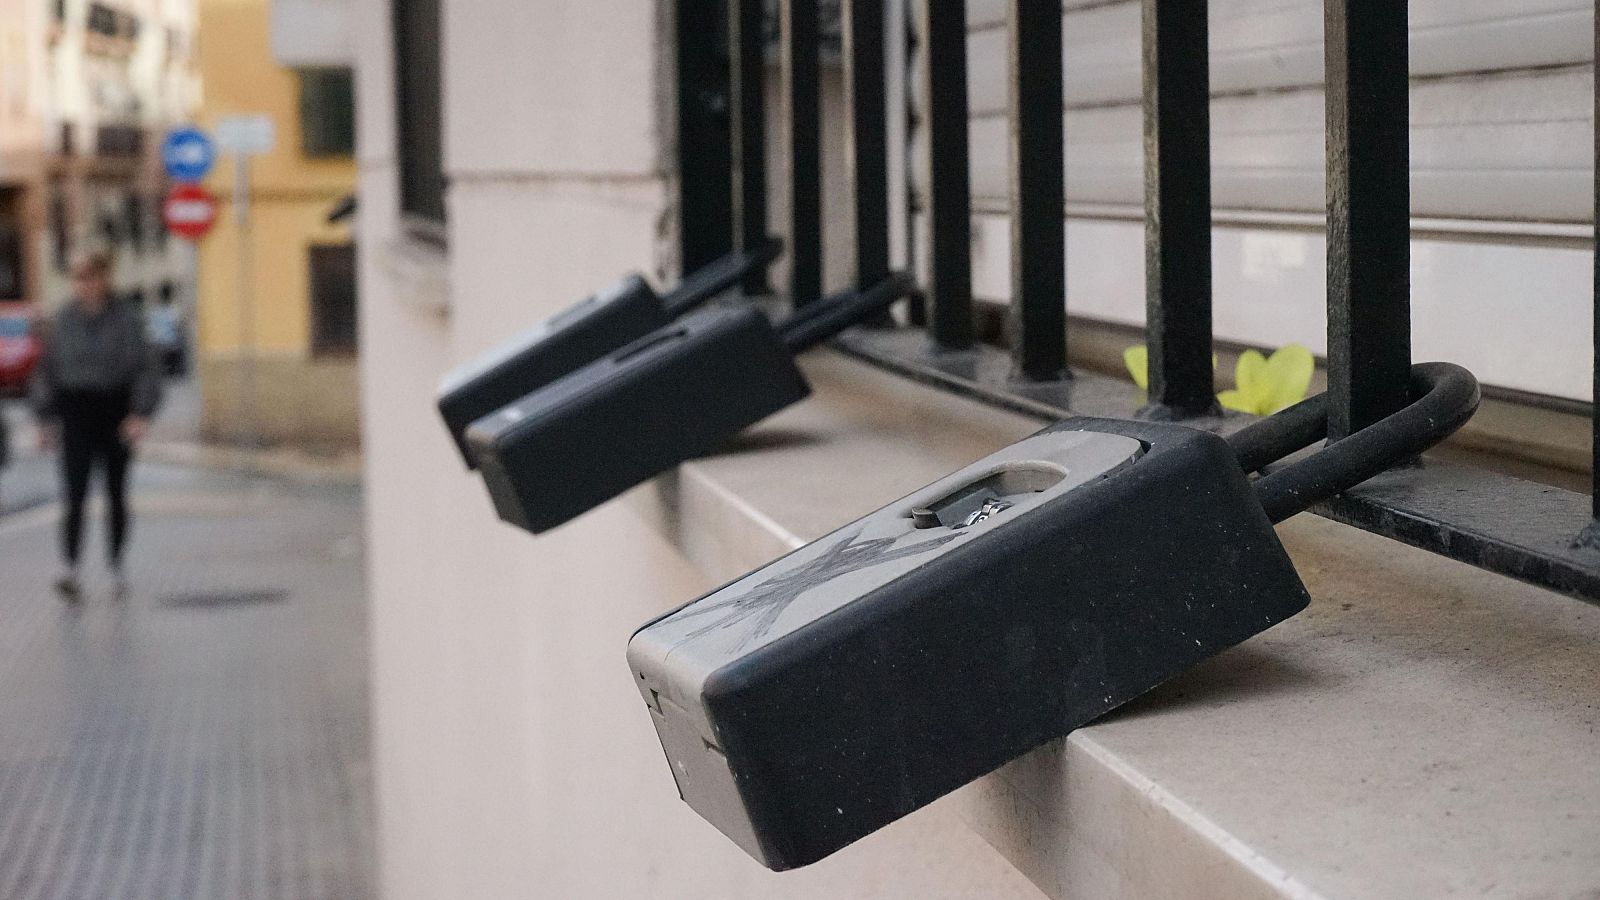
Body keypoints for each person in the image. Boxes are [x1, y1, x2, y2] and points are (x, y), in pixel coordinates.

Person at [30, 251, 162, 599]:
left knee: (116, 493)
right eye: (79, 278)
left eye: (92, 276)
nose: (86, 284)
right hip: (75, 411)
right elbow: (47, 372)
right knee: (74, 493)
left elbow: (147, 368)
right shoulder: (64, 321)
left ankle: (116, 563)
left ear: (105, 278)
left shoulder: (127, 319)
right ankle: (70, 566)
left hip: (114, 409)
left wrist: (140, 413)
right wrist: (45, 418)